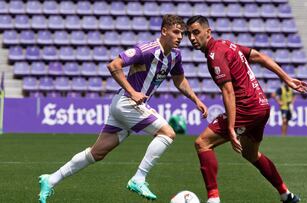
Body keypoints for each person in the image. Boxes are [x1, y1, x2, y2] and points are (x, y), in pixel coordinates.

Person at [38, 15, 208, 203]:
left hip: (127, 106)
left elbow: (179, 80)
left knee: (97, 153)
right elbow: (114, 65)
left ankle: (50, 179)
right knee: (167, 133)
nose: (180, 37)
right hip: (128, 102)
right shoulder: (147, 50)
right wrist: (133, 92)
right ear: (164, 31)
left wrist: (196, 99)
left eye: (182, 34)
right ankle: (139, 178)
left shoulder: (175, 56)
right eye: (176, 32)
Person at [186, 15, 307, 203]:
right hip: (261, 106)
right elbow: (259, 56)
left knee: (202, 143)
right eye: (189, 34)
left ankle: (213, 199)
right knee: (251, 154)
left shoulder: (215, 55)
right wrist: (286, 78)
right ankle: (287, 195)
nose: (192, 38)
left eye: (196, 32)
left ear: (208, 32)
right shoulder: (228, 45)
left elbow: (228, 92)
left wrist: (230, 127)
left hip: (247, 108)